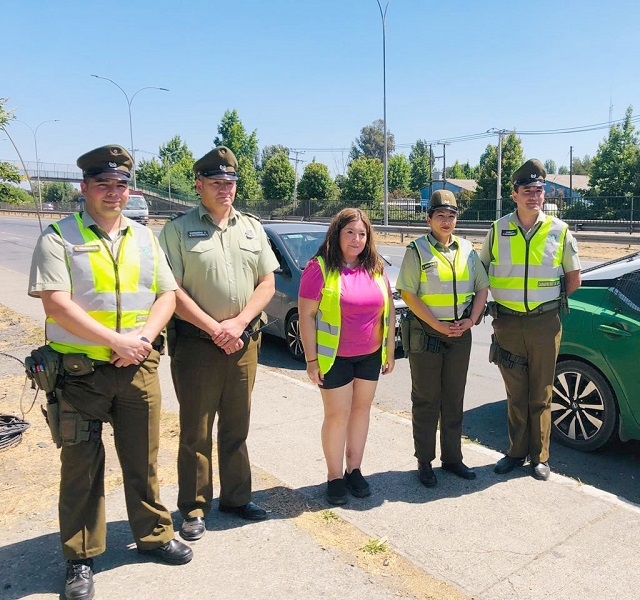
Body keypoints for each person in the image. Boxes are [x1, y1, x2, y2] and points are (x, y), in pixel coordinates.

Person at [28, 145, 192, 600]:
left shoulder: (144, 237)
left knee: (143, 457)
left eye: (120, 185)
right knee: (81, 466)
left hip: (137, 368)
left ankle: (154, 534)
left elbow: (167, 295)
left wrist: (138, 343)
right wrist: (113, 342)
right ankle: (80, 557)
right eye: (104, 184)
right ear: (84, 188)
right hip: (80, 376)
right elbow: (56, 304)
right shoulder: (59, 238)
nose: (113, 192)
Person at [158, 146, 278, 541]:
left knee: (237, 424)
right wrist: (214, 328)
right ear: (199, 185)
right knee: (196, 429)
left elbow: (267, 282)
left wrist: (240, 323)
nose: (225, 189)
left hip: (244, 342)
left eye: (230, 182)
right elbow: (170, 290)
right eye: (216, 182)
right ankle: (193, 507)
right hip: (197, 345)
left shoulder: (251, 228)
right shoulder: (176, 231)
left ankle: (237, 498)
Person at [479, 159, 582, 481]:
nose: (534, 196)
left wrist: (543, 301)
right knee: (515, 392)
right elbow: (481, 273)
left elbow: (574, 278)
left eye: (539, 191)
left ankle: (540, 457)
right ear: (514, 194)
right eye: (527, 191)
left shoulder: (559, 231)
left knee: (542, 392)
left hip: (544, 323)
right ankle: (515, 452)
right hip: (508, 323)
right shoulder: (498, 230)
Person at [297, 208, 395, 506]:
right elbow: (306, 317)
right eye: (350, 232)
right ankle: (334, 476)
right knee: (337, 416)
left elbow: (388, 312)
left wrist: (388, 351)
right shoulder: (320, 268)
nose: (356, 239)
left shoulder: (375, 267)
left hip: (369, 357)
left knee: (361, 412)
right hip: (334, 359)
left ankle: (354, 470)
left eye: (362, 234)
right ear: (337, 234)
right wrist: (311, 361)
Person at [395, 190, 489, 487]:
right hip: (427, 333)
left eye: (451, 216)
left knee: (453, 398)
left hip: (460, 333)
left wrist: (471, 320)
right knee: (426, 399)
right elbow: (408, 294)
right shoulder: (417, 250)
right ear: (429, 219)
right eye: (440, 216)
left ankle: (453, 458)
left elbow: (482, 288)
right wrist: (435, 323)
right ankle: (425, 461)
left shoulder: (467, 250)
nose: (446, 222)